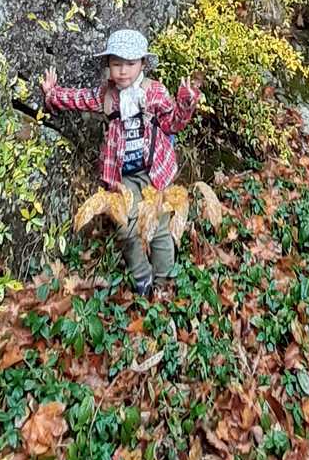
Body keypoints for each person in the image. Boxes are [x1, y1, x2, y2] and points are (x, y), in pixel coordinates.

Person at [40, 28, 202, 297]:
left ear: (142, 64)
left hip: (154, 171)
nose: (123, 71)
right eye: (117, 64)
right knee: (125, 225)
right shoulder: (107, 95)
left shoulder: (154, 92)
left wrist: (185, 103)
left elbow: (172, 124)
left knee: (159, 227)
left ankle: (164, 282)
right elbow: (80, 99)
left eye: (130, 63)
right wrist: (52, 94)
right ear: (109, 65)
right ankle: (142, 278)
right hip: (121, 175)